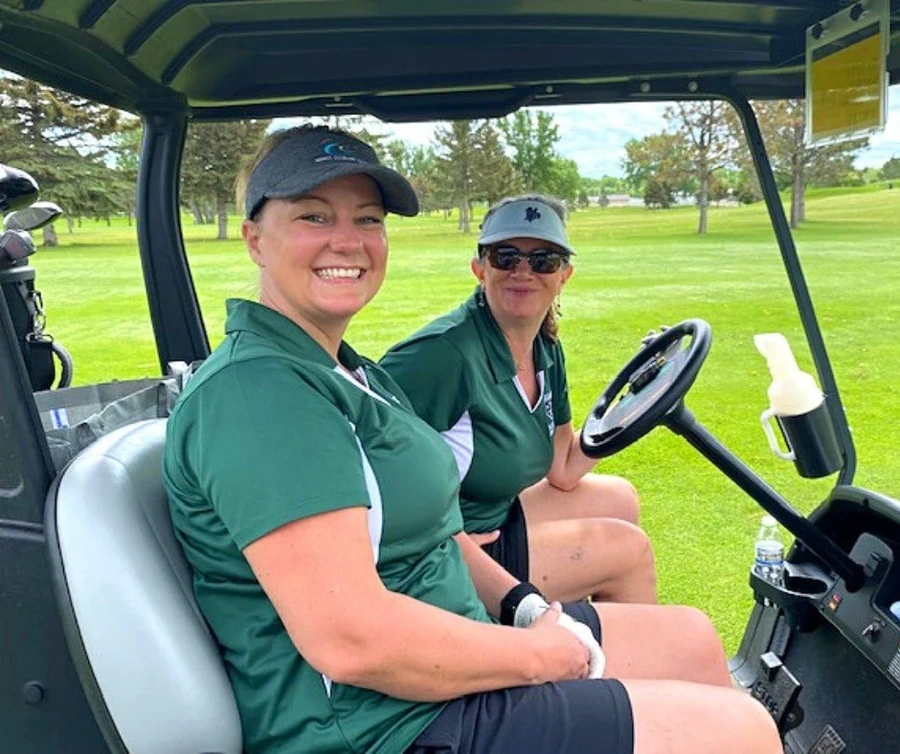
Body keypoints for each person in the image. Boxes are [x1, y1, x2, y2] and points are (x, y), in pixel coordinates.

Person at [163, 124, 781, 754]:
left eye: (368, 219)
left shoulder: (349, 372)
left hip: (446, 649)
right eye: (314, 217)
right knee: (741, 732)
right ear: (254, 239)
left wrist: (522, 604)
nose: (347, 241)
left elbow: (440, 534)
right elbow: (349, 640)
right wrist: (535, 656)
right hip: (380, 726)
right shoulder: (259, 395)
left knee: (689, 639)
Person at [381, 195, 656, 604]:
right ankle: (623, 661)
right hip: (448, 549)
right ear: (480, 269)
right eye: (506, 257)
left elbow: (562, 469)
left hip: (496, 512)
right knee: (627, 551)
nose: (523, 272)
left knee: (620, 498)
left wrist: (638, 404)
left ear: (565, 275)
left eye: (543, 259)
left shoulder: (545, 346)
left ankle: (570, 644)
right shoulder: (439, 356)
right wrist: (437, 539)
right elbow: (368, 465)